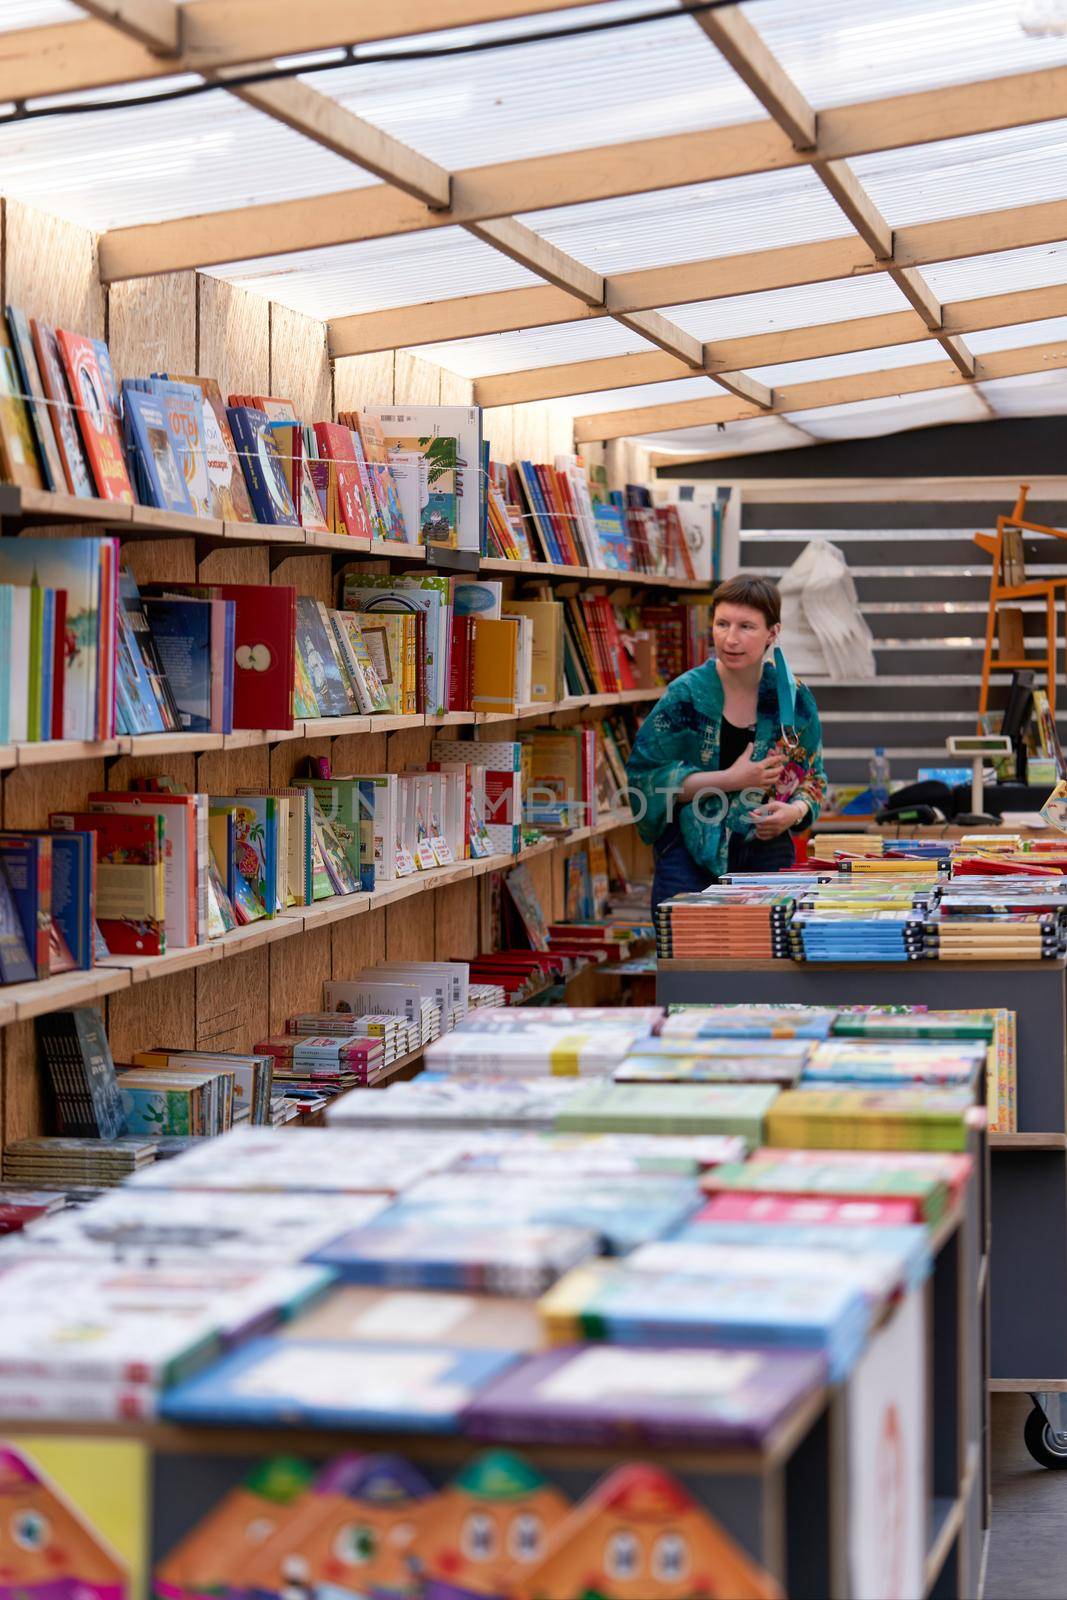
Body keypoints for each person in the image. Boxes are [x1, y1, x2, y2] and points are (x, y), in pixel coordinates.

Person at [626, 573, 828, 917]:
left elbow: (814, 780)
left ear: (773, 632)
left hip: (767, 849)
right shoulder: (685, 696)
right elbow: (645, 781)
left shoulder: (792, 699)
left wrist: (792, 813)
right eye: (722, 624)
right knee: (687, 963)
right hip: (687, 852)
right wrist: (734, 779)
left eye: (746, 627)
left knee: (765, 962)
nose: (731, 639)